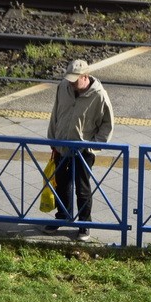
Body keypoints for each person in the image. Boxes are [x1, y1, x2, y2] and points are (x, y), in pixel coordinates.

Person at [45, 59, 114, 241]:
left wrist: (93, 147)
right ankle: (63, 217)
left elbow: (107, 124)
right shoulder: (63, 87)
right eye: (69, 79)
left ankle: (85, 224)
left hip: (83, 150)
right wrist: (52, 138)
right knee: (61, 183)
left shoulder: (99, 95)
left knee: (82, 188)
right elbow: (55, 113)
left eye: (75, 80)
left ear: (85, 77)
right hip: (62, 145)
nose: (71, 83)